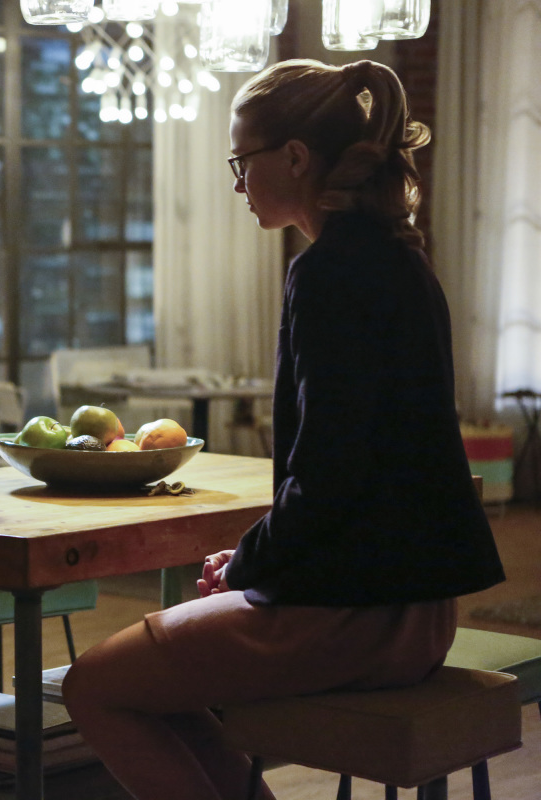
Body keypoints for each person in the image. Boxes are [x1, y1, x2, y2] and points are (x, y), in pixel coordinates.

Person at [62, 59, 505, 800]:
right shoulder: (401, 257)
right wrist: (254, 557)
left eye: (242, 162)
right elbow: (359, 471)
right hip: (419, 609)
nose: (238, 184)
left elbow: (329, 476)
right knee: (161, 684)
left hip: (353, 616)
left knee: (93, 686)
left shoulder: (327, 271)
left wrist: (246, 565)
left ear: (295, 158)